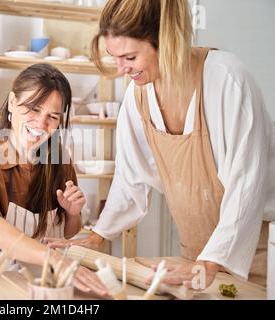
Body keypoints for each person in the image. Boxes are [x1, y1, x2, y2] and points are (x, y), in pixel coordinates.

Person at [47, 0, 275, 289]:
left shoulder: (227, 81)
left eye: (130, 57)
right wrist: (98, 236)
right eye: (115, 57)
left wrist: (210, 263)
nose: (121, 70)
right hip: (195, 256)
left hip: (259, 258)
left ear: (167, 42)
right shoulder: (138, 97)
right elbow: (130, 180)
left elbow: (246, 187)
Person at [0, 63, 107, 296]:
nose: (41, 123)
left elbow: (68, 234)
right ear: (12, 102)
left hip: (49, 283)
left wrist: (72, 213)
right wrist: (51, 258)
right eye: (33, 109)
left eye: (53, 116)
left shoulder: (59, 158)